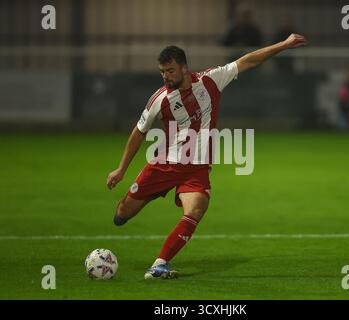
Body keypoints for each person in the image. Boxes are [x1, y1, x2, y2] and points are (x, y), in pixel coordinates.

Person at [107, 33, 308, 279]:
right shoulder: (159, 99)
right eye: (162, 71)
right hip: (164, 165)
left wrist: (284, 45)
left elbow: (248, 61)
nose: (165, 76)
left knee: (195, 211)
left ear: (184, 67)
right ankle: (136, 206)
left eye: (170, 71)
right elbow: (139, 132)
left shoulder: (210, 80)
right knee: (122, 214)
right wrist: (121, 169)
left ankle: (160, 264)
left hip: (197, 168)